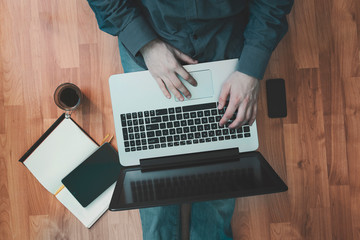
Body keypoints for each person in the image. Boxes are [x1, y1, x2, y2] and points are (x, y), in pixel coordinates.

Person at [87, 1, 293, 239]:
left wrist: (250, 69)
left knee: (222, 174)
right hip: (149, 33)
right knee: (151, 179)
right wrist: (146, 44)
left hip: (226, 37)